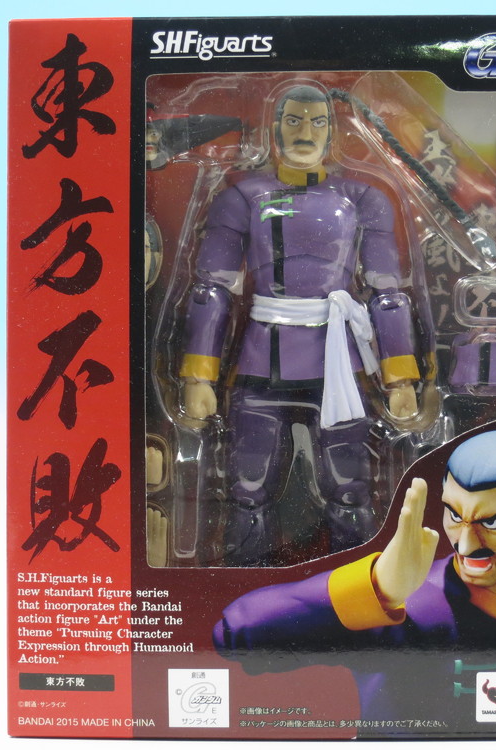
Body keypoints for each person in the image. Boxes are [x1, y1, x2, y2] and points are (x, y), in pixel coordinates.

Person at [212, 423, 496, 736]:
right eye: (455, 515)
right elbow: (235, 633)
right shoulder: (409, 608)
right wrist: (378, 588)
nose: (467, 543)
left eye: (492, 522)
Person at [179, 84, 420, 565]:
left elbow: (387, 293)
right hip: (259, 365)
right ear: (275, 128)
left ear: (331, 131)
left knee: (350, 487)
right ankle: (245, 581)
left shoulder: (362, 198)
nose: (305, 132)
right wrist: (198, 376)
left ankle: (355, 582)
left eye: (316, 121)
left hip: (339, 367)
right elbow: (212, 288)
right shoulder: (242, 196)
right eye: (293, 120)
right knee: (248, 489)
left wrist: (401, 378)